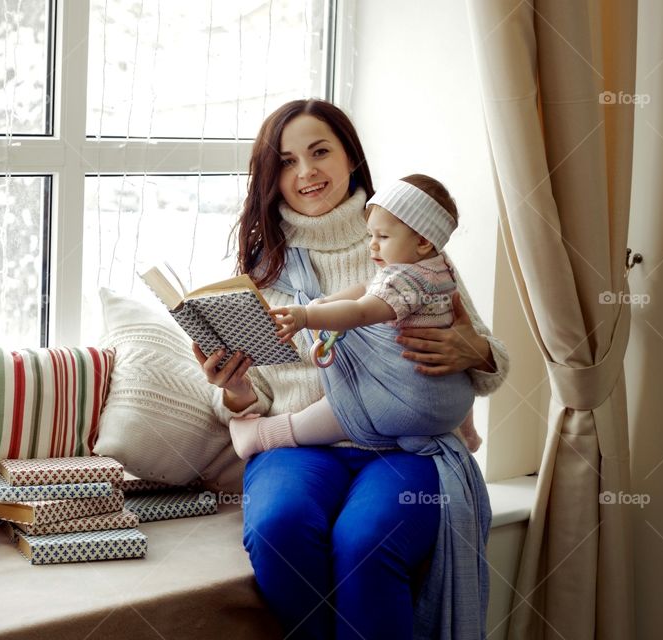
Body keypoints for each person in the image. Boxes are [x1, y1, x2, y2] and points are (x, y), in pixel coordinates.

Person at [192, 99, 509, 639]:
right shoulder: (263, 268)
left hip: (400, 448)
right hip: (298, 451)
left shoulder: (408, 245)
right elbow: (255, 398)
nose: (306, 172)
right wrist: (238, 388)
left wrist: (475, 352)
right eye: (288, 162)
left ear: (352, 160)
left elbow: (488, 361)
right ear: (273, 177)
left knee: (368, 542)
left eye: (320, 153)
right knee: (278, 531)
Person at [227, 174, 484, 460]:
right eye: (370, 235)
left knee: (342, 409)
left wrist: (306, 315)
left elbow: (362, 311)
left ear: (423, 241)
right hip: (453, 403)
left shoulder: (405, 280)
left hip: (409, 401)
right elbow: (367, 287)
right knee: (458, 378)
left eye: (383, 237)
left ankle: (263, 434)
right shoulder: (438, 268)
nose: (372, 245)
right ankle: (469, 432)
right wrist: (327, 301)